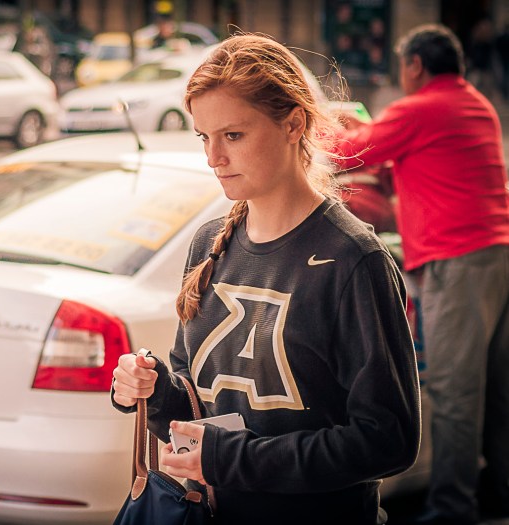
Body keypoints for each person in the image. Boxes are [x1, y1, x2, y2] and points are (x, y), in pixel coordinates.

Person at [111, 33, 421, 525]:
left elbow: (388, 441)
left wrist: (231, 460)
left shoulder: (354, 260)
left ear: (293, 124)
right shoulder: (209, 242)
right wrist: (149, 387)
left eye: (232, 135)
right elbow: (194, 396)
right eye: (203, 137)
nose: (213, 157)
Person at [335, 24, 509, 525]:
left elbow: (353, 150)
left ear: (414, 65)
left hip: (457, 261)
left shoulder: (423, 108)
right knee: (497, 389)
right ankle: (499, 493)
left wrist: (309, 125)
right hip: (495, 256)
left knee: (455, 392)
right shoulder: (474, 103)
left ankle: (453, 508)